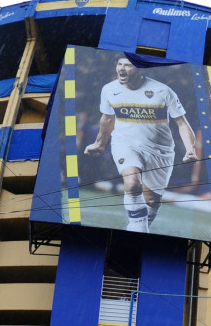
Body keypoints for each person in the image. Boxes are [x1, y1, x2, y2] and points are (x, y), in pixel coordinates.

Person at [84, 55, 198, 233]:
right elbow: (107, 119)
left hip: (161, 151)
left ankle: (136, 227)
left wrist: (190, 150)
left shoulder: (163, 91)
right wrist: (99, 144)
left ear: (139, 69)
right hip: (125, 143)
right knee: (133, 182)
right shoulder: (109, 90)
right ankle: (139, 232)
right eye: (119, 64)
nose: (122, 69)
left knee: (152, 200)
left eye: (127, 66)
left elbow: (182, 123)